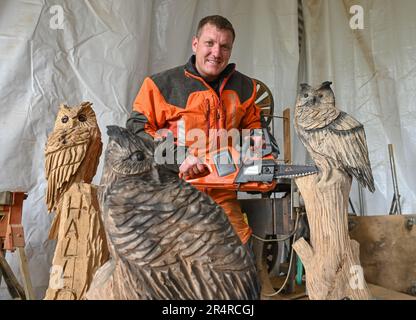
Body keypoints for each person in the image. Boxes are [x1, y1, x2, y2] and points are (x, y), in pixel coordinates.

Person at [127, 15, 277, 245]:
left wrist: (263, 155)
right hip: (173, 191)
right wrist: (180, 157)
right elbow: (137, 131)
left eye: (224, 46)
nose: (217, 53)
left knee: (237, 252)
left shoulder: (245, 87)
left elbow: (255, 127)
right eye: (210, 43)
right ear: (195, 44)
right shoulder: (161, 85)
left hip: (222, 190)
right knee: (176, 254)